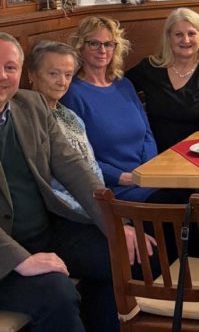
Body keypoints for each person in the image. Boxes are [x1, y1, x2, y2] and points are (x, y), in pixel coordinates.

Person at [0, 32, 151, 332]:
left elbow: (75, 168)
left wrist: (117, 226)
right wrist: (20, 259)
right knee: (56, 292)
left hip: (44, 232)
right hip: (6, 255)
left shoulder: (30, 106)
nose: (3, 76)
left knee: (119, 256)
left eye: (9, 67)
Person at [61, 16, 158, 201]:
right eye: (94, 43)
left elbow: (147, 134)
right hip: (112, 188)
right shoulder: (72, 93)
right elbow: (76, 156)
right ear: (80, 47)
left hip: (147, 177)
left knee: (198, 194)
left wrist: (147, 169)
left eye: (108, 44)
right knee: (181, 203)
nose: (102, 50)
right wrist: (121, 177)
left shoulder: (124, 84)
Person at [126, 7, 199, 150]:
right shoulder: (149, 67)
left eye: (191, 33)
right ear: (169, 37)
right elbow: (117, 88)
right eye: (178, 34)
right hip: (152, 152)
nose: (186, 40)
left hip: (196, 151)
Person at [26, 39, 104, 215]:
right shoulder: (27, 119)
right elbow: (46, 186)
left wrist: (106, 206)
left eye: (68, 75)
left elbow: (92, 167)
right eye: (53, 74)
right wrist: (93, 214)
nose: (62, 82)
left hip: (94, 204)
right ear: (32, 74)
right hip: (62, 212)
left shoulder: (73, 117)